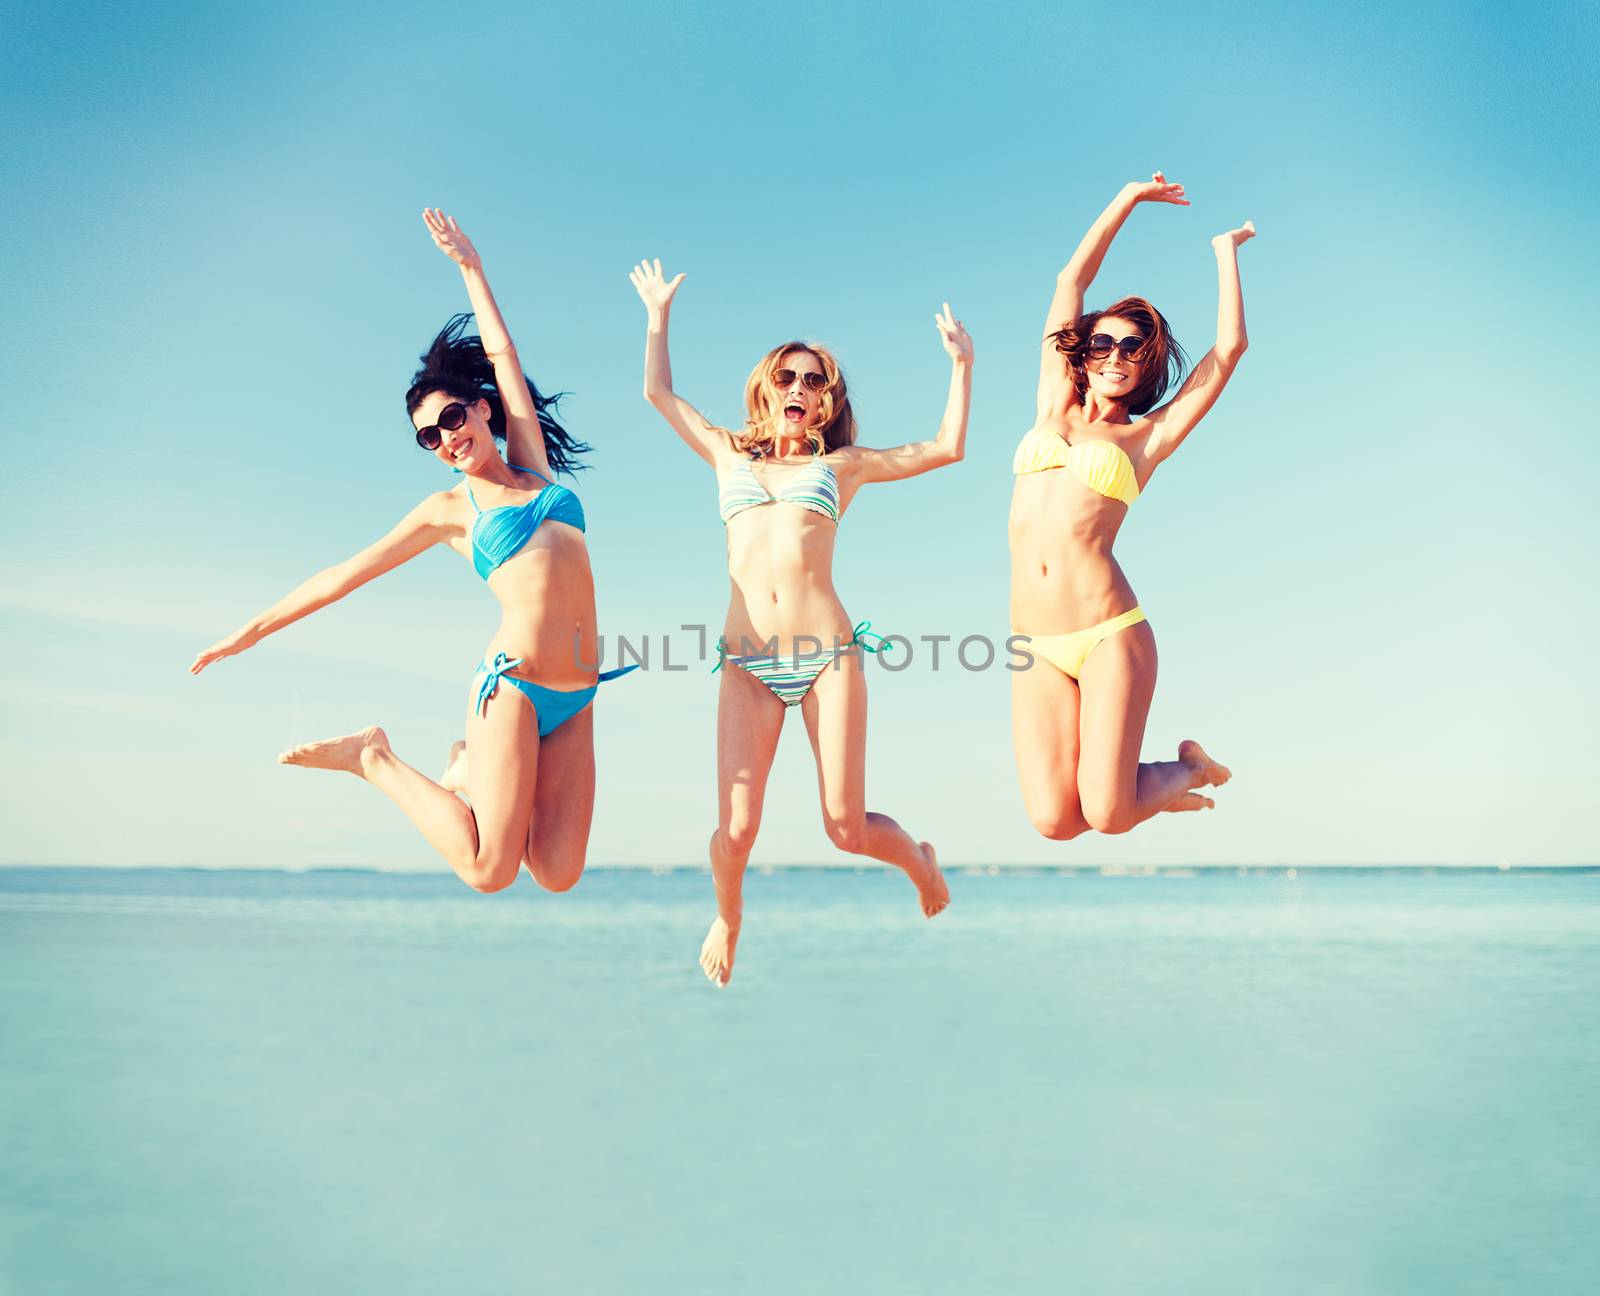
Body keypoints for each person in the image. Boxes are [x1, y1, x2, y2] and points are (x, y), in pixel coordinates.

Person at [191, 211, 626, 893]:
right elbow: (342, 576)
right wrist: (248, 632)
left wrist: (470, 269)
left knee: (557, 872)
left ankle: (464, 766)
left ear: (482, 409)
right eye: (430, 438)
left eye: (452, 418)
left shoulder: (535, 468)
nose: (447, 439)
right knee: (489, 870)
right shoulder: (450, 511)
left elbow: (505, 355)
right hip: (512, 686)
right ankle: (374, 758)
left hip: (577, 693)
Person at [629, 258, 970, 985]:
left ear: (825, 403)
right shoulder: (726, 452)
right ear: (767, 388)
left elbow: (946, 448)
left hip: (827, 657)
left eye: (814, 381)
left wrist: (961, 367)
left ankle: (919, 862)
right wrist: (658, 314)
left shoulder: (842, 465)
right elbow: (658, 392)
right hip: (748, 665)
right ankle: (728, 914)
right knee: (739, 829)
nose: (799, 388)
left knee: (845, 828)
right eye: (788, 377)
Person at [1011, 173, 1254, 840]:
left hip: (1108, 633)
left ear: (1146, 368)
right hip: (1035, 642)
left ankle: (1186, 773)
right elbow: (1070, 282)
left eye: (1133, 349)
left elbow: (1228, 351)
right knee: (1055, 821)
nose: (1117, 354)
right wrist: (1127, 199)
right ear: (1082, 354)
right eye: (1104, 343)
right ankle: (1148, 790)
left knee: (1108, 815)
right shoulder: (1051, 406)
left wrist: (1224, 252)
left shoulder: (1145, 437)